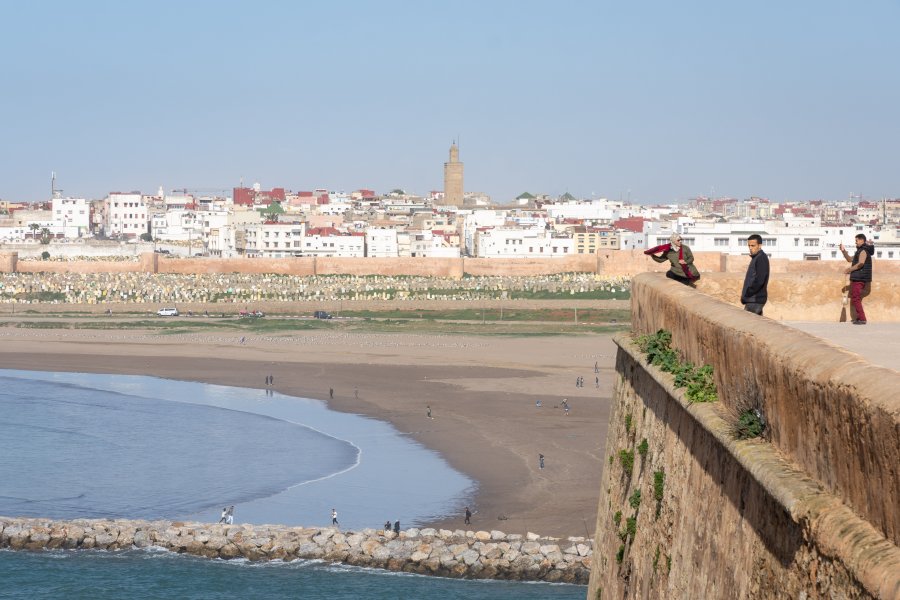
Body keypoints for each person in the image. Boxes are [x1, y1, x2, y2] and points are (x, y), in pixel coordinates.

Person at [841, 234, 874, 325]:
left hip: (860, 278)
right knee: (856, 298)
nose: (855, 242)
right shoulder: (859, 251)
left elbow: (860, 264)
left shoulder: (863, 251)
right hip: (858, 277)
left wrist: (849, 270)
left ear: (862, 241)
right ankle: (860, 318)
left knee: (856, 298)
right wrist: (843, 251)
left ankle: (862, 319)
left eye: (857, 240)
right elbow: (849, 259)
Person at [741, 234, 770, 316]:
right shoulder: (757, 257)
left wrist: (749, 292)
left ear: (759, 245)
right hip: (753, 299)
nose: (750, 248)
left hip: (755, 299)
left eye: (753, 245)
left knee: (747, 324)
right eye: (749, 245)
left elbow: (760, 280)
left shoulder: (761, 258)